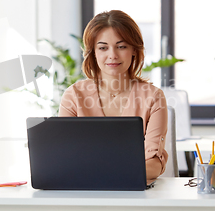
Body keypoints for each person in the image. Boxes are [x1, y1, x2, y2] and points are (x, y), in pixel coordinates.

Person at [59, 10, 168, 180]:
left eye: (121, 46)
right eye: (103, 48)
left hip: (135, 196)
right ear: (93, 53)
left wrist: (99, 171)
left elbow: (154, 165)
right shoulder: (74, 95)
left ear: (134, 49)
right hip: (85, 193)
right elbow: (65, 157)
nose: (113, 55)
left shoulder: (153, 97)